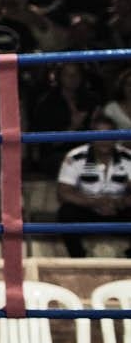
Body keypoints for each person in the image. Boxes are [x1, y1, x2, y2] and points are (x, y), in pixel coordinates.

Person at [54, 110, 131, 258]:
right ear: (90, 137)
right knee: (66, 213)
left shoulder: (127, 157)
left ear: (116, 137)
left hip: (118, 209)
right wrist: (93, 203)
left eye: (108, 135)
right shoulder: (75, 156)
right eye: (99, 135)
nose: (104, 139)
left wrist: (122, 202)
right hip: (87, 209)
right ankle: (78, 258)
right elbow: (63, 192)